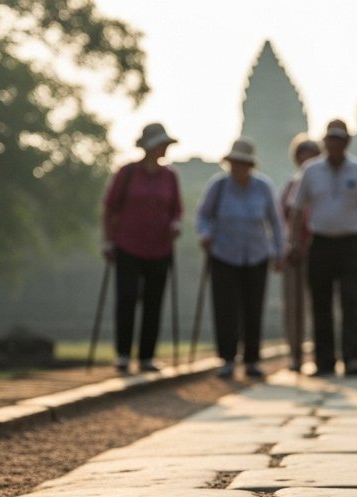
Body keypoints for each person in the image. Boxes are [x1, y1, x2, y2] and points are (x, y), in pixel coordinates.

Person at [286, 119, 357, 377]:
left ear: (347, 142)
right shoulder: (310, 171)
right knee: (320, 304)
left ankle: (353, 357)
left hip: (351, 243)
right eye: (330, 138)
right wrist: (294, 242)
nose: (334, 144)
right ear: (325, 141)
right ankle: (324, 360)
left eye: (339, 139)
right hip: (320, 242)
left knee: (352, 301)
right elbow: (297, 210)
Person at [196, 137, 285, 380]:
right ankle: (226, 358)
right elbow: (203, 215)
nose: (238, 167)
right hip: (224, 254)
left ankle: (252, 360)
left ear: (250, 165)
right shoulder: (219, 186)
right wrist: (205, 235)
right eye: (235, 163)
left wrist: (279, 252)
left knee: (252, 308)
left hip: (256, 255)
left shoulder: (263, 187)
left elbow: (275, 223)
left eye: (243, 163)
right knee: (225, 308)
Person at [101, 122, 183, 373]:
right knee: (126, 298)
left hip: (160, 248)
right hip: (127, 245)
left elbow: (176, 209)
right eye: (161, 145)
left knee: (153, 301)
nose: (164, 150)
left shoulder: (170, 176)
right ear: (150, 147)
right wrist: (107, 240)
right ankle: (123, 353)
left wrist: (176, 224)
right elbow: (110, 208)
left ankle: (147, 355)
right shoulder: (126, 174)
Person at [280, 135, 321, 373]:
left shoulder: (323, 185)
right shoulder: (290, 186)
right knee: (293, 307)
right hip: (294, 252)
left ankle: (321, 353)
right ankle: (295, 354)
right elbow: (279, 219)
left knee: (319, 305)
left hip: (319, 251)